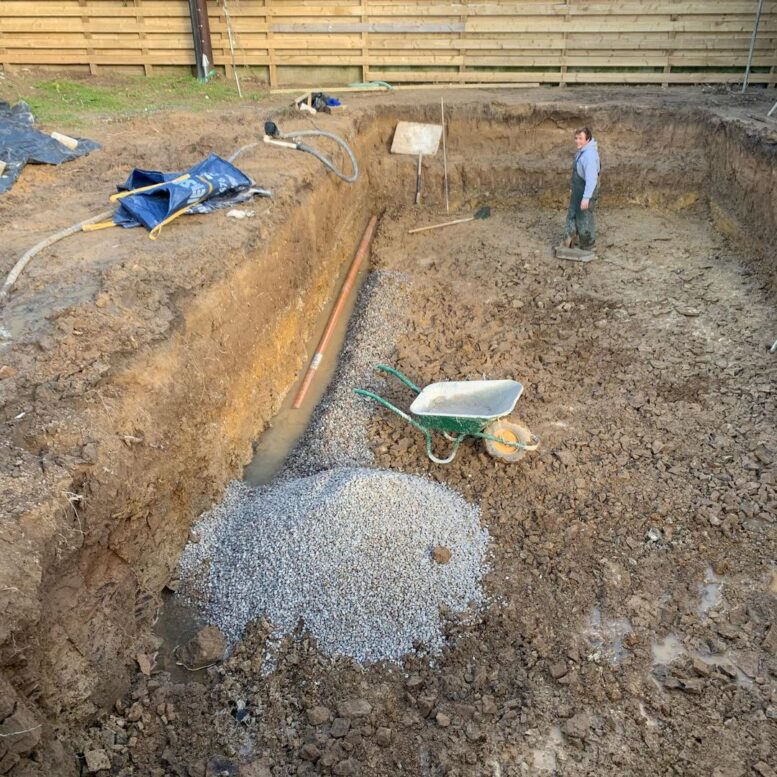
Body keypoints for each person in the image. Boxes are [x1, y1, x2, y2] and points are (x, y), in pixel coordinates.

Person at [563, 127, 600, 250]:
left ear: (587, 139)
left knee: (584, 217)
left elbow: (591, 180)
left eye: (580, 138)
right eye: (576, 138)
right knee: (573, 213)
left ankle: (588, 245)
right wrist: (573, 189)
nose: (577, 141)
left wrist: (586, 198)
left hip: (586, 190)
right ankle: (569, 240)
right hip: (578, 189)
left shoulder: (589, 157)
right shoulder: (582, 151)